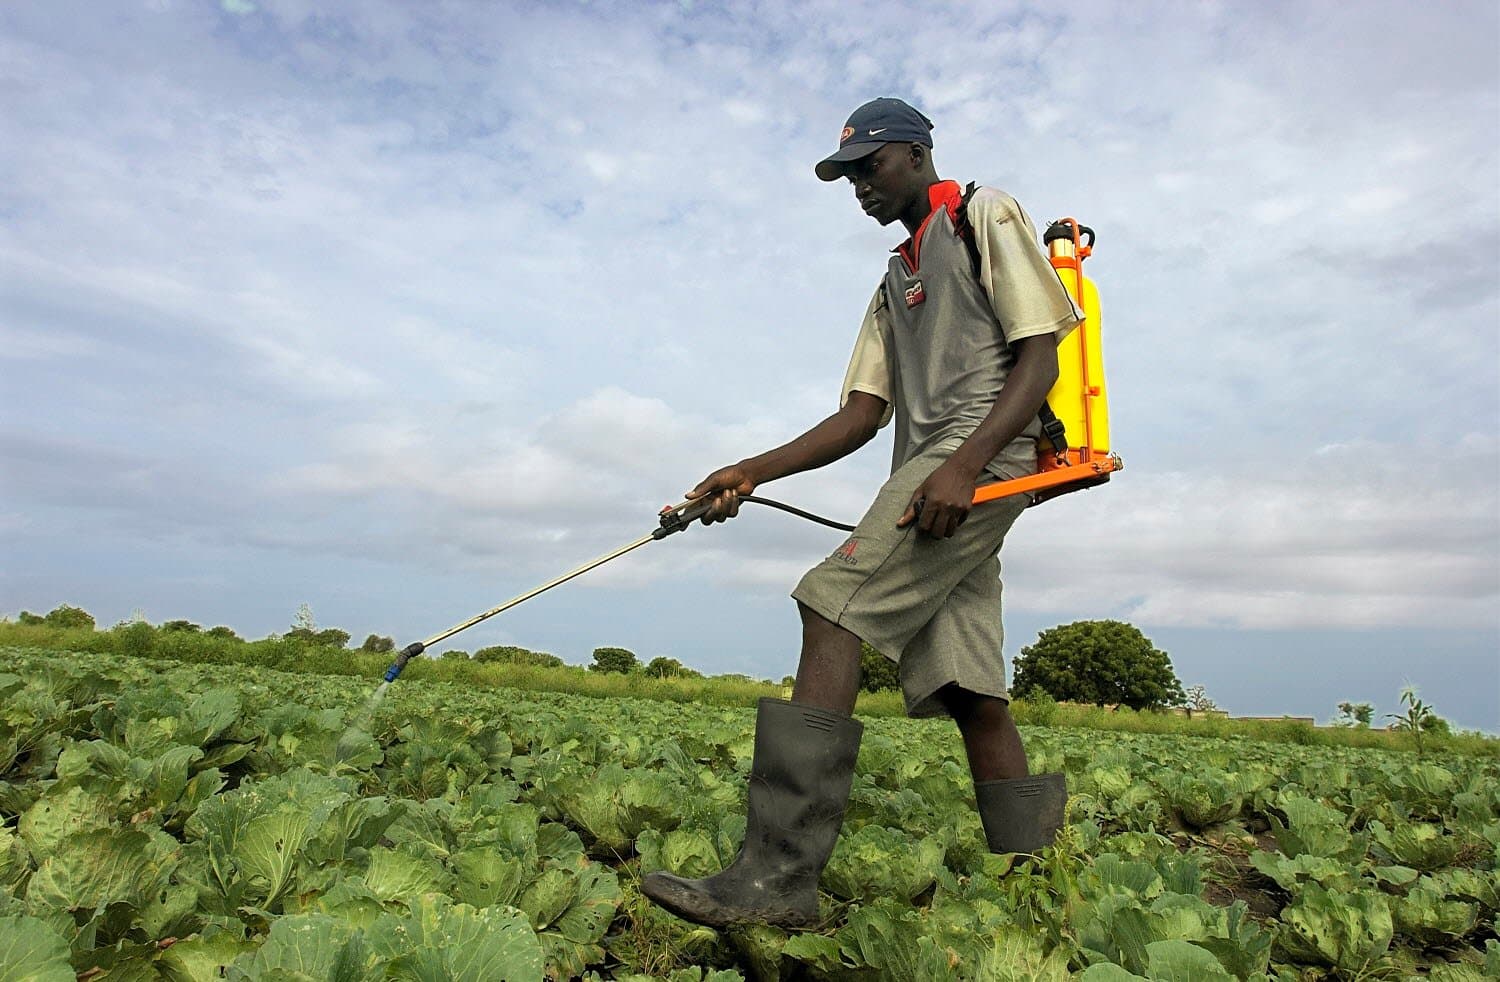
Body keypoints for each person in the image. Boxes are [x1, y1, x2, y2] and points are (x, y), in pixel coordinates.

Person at [642, 97, 1077, 930]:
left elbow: (1041, 358)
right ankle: (1041, 887)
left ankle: (777, 881)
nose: (859, 188)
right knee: (970, 687)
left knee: (831, 606)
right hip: (939, 469)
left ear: (916, 154)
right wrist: (747, 469)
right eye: (847, 176)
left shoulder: (985, 215)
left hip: (981, 458)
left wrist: (963, 462)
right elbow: (859, 415)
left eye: (870, 166)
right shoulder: (891, 282)